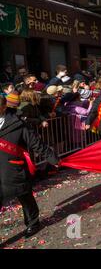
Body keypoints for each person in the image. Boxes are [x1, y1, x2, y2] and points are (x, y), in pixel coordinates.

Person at [0, 95, 60, 237]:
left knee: (25, 197)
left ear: (3, 107)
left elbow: (35, 143)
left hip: (13, 168)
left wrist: (53, 158)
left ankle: (33, 223)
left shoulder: (18, 123)